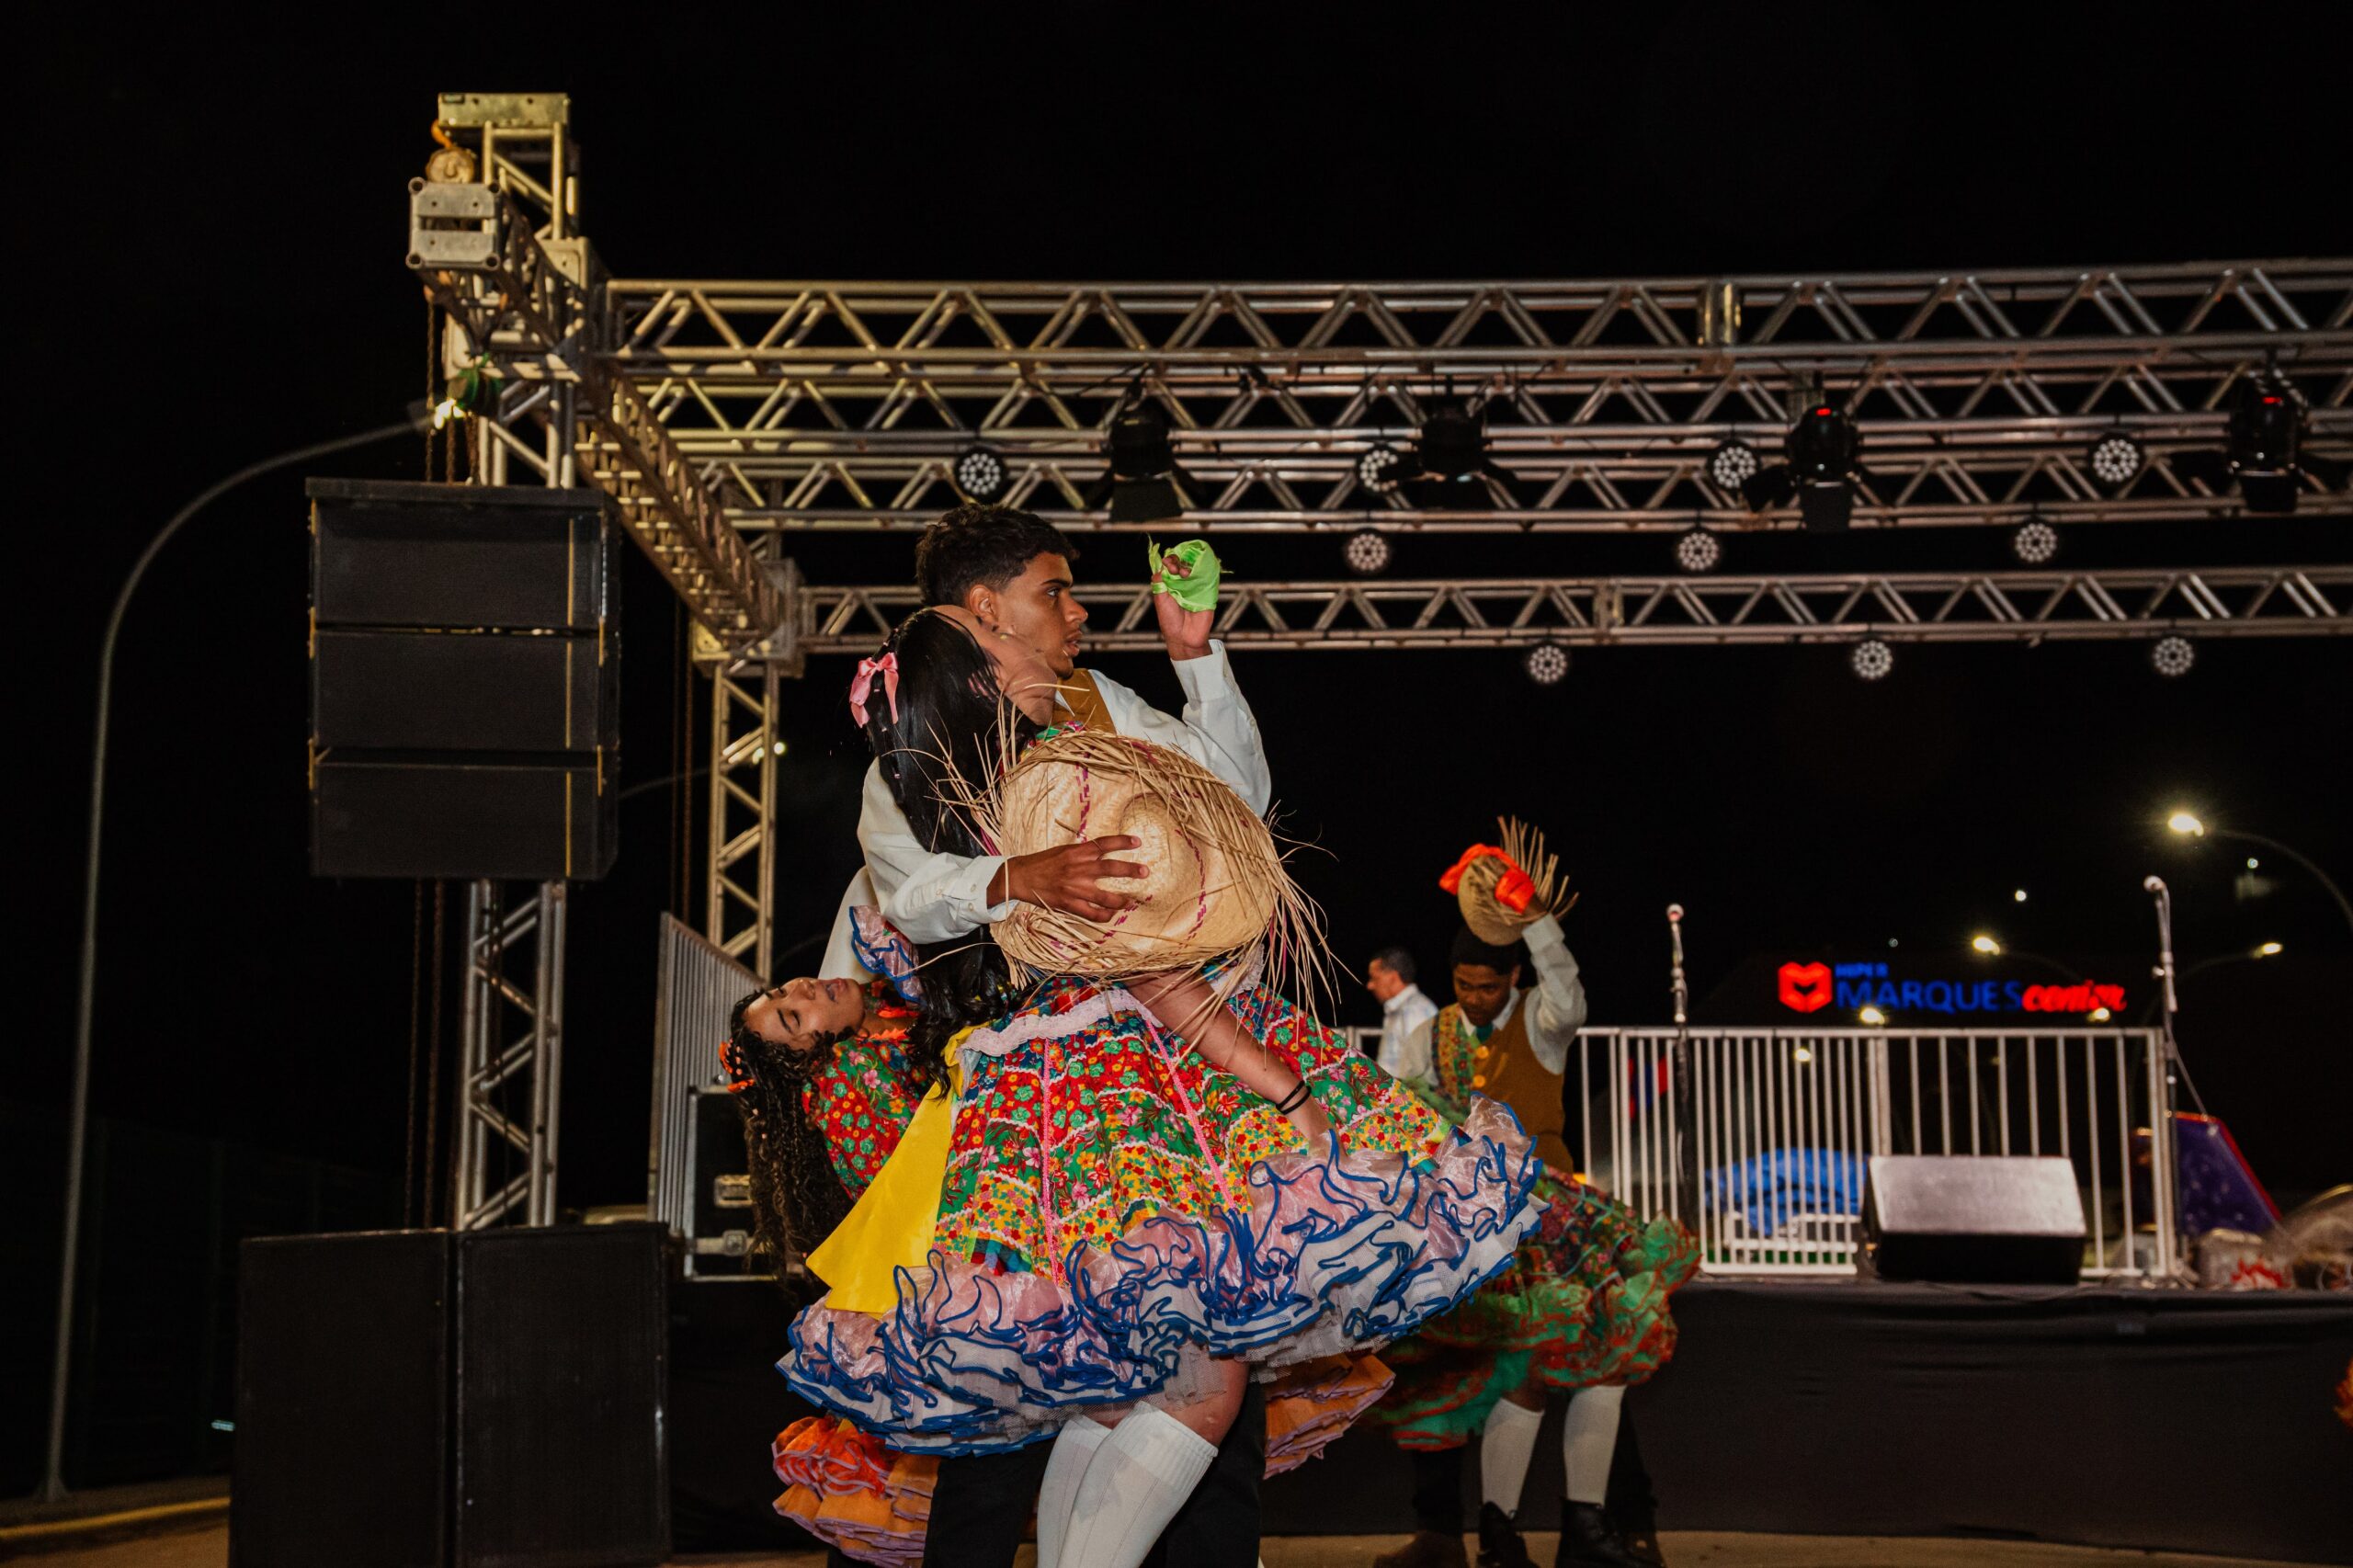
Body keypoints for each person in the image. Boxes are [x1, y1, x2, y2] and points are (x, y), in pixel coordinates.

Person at [783, 606, 1543, 1568]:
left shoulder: (943, 809)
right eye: (1001, 634)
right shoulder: (1046, 787)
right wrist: (1282, 1086)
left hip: (1031, 1122)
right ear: (982, 676)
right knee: (1199, 1387)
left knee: (1114, 1394)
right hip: (1114, 1108)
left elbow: (930, 922)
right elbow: (1152, 972)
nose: (1041, 638)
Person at [1372, 831, 1697, 1568]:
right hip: (1464, 1226)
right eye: (1464, 985)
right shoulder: (1429, 1037)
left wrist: (1538, 920)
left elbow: (1568, 990)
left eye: (1488, 986)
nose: (1475, 997)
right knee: (1471, 1374)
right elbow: (1404, 1119)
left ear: (1513, 978)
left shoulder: (1542, 1025)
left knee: (1596, 1359)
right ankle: (1470, 1532)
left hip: (1552, 1221)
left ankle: (1590, 1525)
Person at [818, 503, 1267, 983]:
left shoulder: (1092, 697)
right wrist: (1016, 877)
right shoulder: (916, 761)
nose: (1077, 611)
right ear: (987, 608)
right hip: (1027, 1012)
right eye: (1053, 593)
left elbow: (1238, 804)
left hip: (1173, 984)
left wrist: (1192, 655)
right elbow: (911, 897)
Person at [1370, 947, 1439, 1076]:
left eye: (1375, 978)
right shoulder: (1398, 1010)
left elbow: (1420, 1071)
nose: (1370, 985)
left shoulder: (1416, 1011)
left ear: (1393, 977)